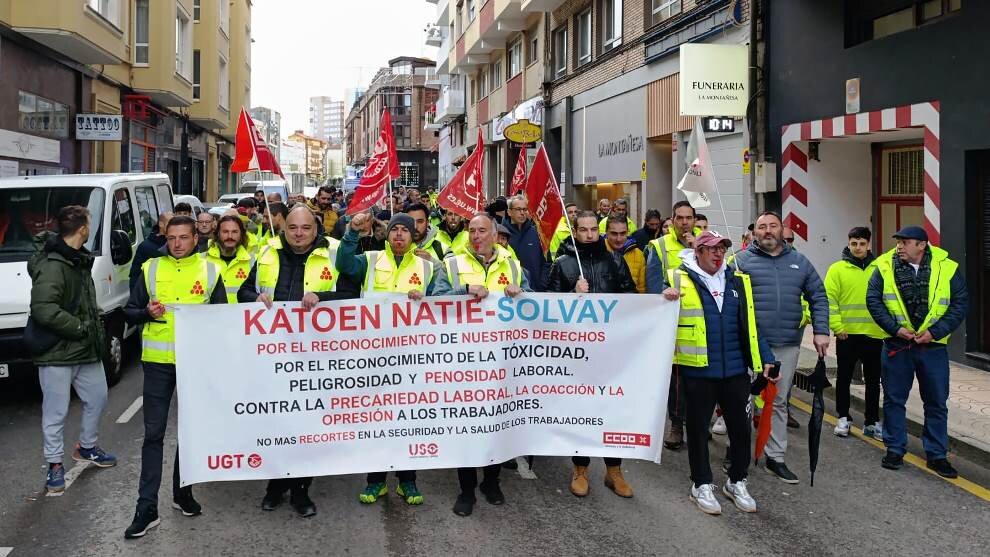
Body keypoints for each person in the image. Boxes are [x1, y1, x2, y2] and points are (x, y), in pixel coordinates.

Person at [238, 206, 358, 516]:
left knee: (307, 426)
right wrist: (255, 298)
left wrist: (322, 297)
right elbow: (243, 291)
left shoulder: (334, 253)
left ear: (316, 229)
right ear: (284, 228)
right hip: (273, 355)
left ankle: (301, 491)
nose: (299, 234)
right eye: (293, 228)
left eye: (305, 228)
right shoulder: (266, 253)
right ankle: (276, 485)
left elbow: (352, 294)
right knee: (277, 422)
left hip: (317, 357)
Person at [123, 215, 227, 539]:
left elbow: (222, 318)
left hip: (194, 364)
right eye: (172, 238)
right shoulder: (150, 269)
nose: (177, 243)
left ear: (196, 237)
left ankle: (183, 493)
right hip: (156, 363)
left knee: (190, 433)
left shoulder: (211, 271)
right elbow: (129, 310)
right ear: (165, 238)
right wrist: (145, 313)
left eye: (184, 237)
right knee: (153, 435)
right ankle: (146, 507)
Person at [661, 231, 775, 515]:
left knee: (740, 429)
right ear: (697, 251)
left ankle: (737, 481)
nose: (718, 254)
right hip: (698, 370)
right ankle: (701, 483)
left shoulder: (738, 280)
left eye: (722, 249)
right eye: (712, 249)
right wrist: (664, 298)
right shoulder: (677, 278)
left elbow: (751, 324)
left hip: (735, 370)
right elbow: (655, 316)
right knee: (698, 430)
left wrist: (767, 359)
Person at [433, 213, 530, 517]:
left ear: (495, 234)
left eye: (482, 231)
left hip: (501, 360)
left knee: (496, 422)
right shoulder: (451, 264)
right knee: (466, 424)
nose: (476, 236)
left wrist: (521, 293)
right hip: (462, 360)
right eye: (472, 231)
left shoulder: (512, 265)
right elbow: (433, 301)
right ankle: (466, 489)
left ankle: (491, 481)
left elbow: (533, 307)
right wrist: (464, 291)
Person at [336, 212, 434, 505]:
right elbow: (342, 264)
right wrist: (352, 233)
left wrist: (426, 300)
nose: (399, 235)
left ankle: (408, 481)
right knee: (376, 421)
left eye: (405, 230)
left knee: (407, 422)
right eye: (395, 230)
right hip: (374, 356)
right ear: (387, 235)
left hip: (411, 357)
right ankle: (375, 481)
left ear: (413, 235)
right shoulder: (370, 260)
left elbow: (444, 303)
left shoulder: (427, 267)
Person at [732, 211, 829, 484]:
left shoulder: (800, 262)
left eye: (772, 226)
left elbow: (818, 296)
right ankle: (737, 451)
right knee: (743, 401)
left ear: (782, 230)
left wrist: (821, 331)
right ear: (754, 233)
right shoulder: (739, 262)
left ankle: (776, 457)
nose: (767, 231)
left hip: (787, 343)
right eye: (762, 227)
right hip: (749, 345)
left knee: (779, 401)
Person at [547, 211, 637, 498]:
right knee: (582, 413)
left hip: (609, 351)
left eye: (592, 230)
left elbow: (631, 298)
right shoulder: (562, 264)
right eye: (583, 230)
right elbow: (547, 307)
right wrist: (573, 294)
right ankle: (581, 468)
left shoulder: (614, 260)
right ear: (574, 231)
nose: (588, 235)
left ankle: (614, 471)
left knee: (611, 412)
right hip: (576, 354)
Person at [866, 226, 968, 478]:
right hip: (897, 345)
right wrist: (895, 329)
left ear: (922, 245)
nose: (899, 246)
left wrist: (934, 332)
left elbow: (959, 303)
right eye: (898, 242)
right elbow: (874, 301)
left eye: (905, 242)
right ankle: (895, 448)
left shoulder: (948, 268)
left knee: (935, 402)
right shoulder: (884, 267)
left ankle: (936, 454)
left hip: (932, 347)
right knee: (893, 399)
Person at [29, 206, 117, 494]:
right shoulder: (55, 264)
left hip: (84, 349)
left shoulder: (77, 259)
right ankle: (54, 464)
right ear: (82, 229)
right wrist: (80, 327)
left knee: (98, 397)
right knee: (56, 412)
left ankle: (87, 447)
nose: (90, 228)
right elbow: (44, 310)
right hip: (58, 351)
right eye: (89, 223)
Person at [645, 200, 698, 451]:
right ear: (673, 220)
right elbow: (653, 283)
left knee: (700, 378)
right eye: (680, 218)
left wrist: (695, 249)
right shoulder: (659, 246)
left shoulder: (706, 244)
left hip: (701, 323)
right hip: (674, 321)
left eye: (689, 218)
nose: (685, 222)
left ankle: (699, 424)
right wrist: (665, 293)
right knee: (677, 380)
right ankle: (676, 424)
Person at [825, 227, 886, 439]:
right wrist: (837, 327)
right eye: (854, 243)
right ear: (848, 243)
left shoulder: (881, 268)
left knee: (873, 381)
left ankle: (871, 422)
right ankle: (843, 417)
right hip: (847, 335)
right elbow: (830, 300)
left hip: (875, 334)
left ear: (869, 244)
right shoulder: (837, 269)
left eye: (861, 243)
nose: (858, 247)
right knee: (843, 378)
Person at [504, 195, 550, 291]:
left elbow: (547, 261)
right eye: (518, 209)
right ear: (509, 212)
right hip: (509, 292)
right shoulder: (501, 235)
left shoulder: (538, 233)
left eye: (525, 209)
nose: (522, 213)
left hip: (535, 290)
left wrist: (542, 284)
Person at [205, 215, 254, 303]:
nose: (230, 236)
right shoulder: (203, 260)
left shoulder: (253, 261)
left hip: (242, 316)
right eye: (225, 232)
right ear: (218, 234)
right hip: (212, 315)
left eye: (235, 232)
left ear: (241, 234)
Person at [130, 211, 172, 290]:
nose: (174, 226)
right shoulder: (145, 247)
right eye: (171, 223)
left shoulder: (177, 244)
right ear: (161, 224)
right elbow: (136, 276)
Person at [604, 215, 646, 293]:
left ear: (628, 232)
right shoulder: (598, 252)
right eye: (614, 234)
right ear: (606, 232)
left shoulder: (638, 255)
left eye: (622, 233)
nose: (618, 239)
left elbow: (642, 290)